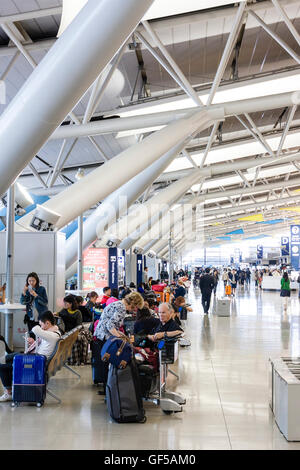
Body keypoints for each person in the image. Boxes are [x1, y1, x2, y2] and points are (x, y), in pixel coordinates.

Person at [0, 311, 61, 402]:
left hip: (35, 362)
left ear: (47, 323)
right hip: (36, 358)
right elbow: (44, 346)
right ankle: (9, 391)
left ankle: (9, 392)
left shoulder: (52, 335)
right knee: (7, 359)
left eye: (41, 324)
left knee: (2, 366)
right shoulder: (53, 333)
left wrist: (37, 326)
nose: (40, 327)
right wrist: (34, 342)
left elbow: (35, 329)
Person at [94, 292, 144, 392]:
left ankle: (106, 388)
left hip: (100, 335)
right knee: (108, 361)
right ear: (132, 303)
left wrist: (122, 335)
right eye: (135, 307)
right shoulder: (121, 308)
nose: (134, 310)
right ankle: (108, 390)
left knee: (104, 362)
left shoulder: (117, 304)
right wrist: (121, 338)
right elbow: (110, 326)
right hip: (105, 336)